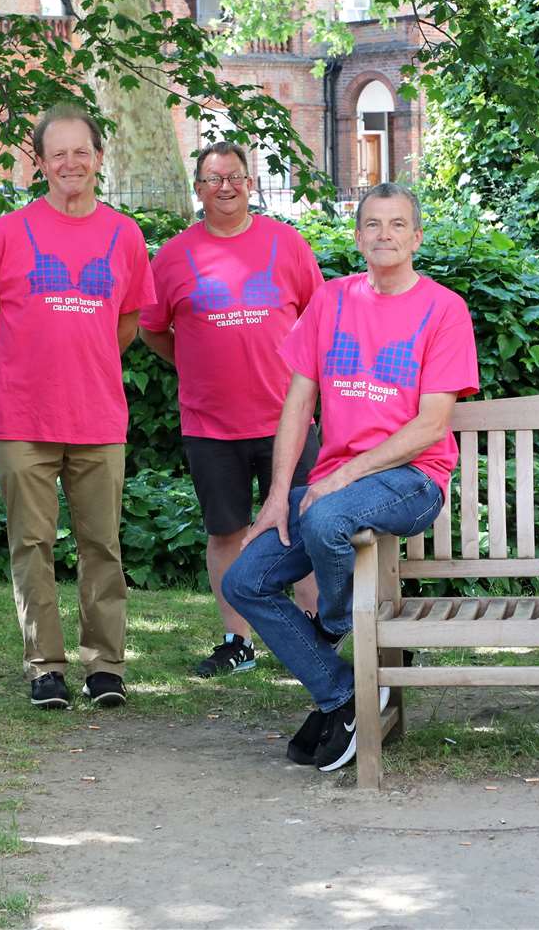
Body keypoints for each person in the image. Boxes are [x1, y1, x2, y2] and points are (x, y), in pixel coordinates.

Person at [223, 183, 479, 772]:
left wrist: (341, 478)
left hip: (412, 479)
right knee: (244, 580)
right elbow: (297, 404)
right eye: (372, 224)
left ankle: (334, 625)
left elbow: (431, 425)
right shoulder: (332, 301)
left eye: (397, 225)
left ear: (416, 237)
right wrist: (277, 498)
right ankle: (344, 690)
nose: (384, 235)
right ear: (357, 235)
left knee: (325, 513)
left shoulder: (443, 308)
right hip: (334, 490)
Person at [0, 105, 154, 710]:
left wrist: (85, 360)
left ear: (99, 158)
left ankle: (105, 666)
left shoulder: (124, 235)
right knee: (32, 544)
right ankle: (44, 666)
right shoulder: (3, 235)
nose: (71, 163)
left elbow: (127, 322)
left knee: (102, 545)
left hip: (97, 415)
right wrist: (12, 378)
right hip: (22, 418)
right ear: (39, 162)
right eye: (59, 153)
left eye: (82, 152)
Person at [140, 142, 326, 677]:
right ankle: (236, 642)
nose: (225, 186)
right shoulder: (173, 255)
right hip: (211, 423)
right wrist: (196, 365)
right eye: (213, 177)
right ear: (198, 189)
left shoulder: (287, 243)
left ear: (251, 184)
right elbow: (154, 329)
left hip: (286, 419)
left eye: (235, 176)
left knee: (302, 527)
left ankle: (315, 632)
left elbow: (318, 321)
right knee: (225, 531)